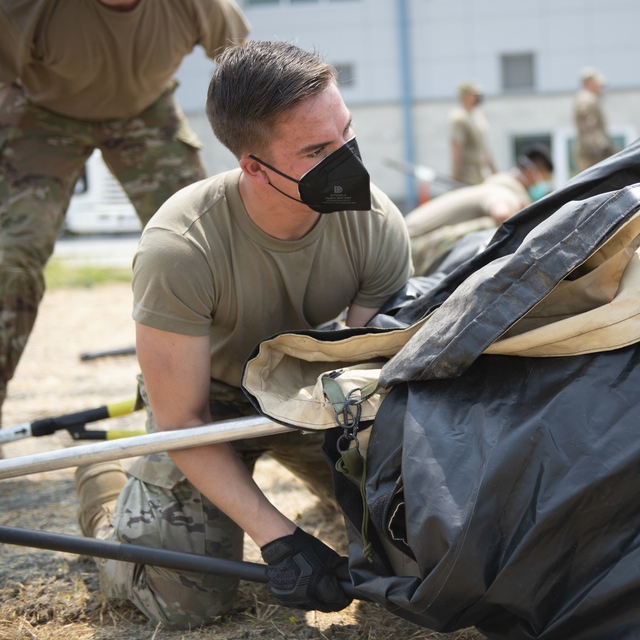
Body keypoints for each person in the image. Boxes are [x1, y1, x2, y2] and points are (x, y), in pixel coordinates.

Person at [73, 41, 413, 629]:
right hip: (211, 406)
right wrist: (280, 539)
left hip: (312, 393)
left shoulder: (375, 222)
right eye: (317, 150)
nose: (348, 162)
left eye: (346, 133)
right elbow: (184, 421)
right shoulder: (181, 248)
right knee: (186, 602)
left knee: (415, 535)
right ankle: (106, 492)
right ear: (252, 166)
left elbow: (374, 380)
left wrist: (373, 487)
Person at [0, 0, 250, 429]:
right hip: (41, 114)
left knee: (211, 249)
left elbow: (248, 77)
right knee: (9, 259)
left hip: (145, 111)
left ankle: (231, 396)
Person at [406, 144, 554, 275]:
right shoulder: (505, 191)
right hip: (411, 249)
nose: (542, 188)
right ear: (530, 173)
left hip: (407, 243)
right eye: (543, 180)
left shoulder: (492, 186)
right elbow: (502, 214)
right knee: (504, 228)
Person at [449, 81, 495, 186]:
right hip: (468, 176)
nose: (478, 98)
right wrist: (456, 178)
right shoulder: (459, 118)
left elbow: (485, 147)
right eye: (475, 95)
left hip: (482, 174)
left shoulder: (477, 116)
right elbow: (457, 147)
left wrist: (493, 170)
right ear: (465, 96)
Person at [573, 67, 616, 172]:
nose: (600, 89)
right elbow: (590, 129)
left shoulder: (585, 99)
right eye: (598, 85)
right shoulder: (588, 100)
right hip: (593, 155)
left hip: (591, 153)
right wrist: (606, 150)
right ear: (588, 84)